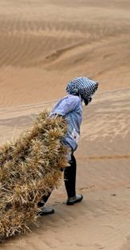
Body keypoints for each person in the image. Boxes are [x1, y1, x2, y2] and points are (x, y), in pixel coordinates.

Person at [39, 77, 99, 216]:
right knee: (56, 171)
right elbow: (57, 114)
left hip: (66, 142)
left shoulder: (75, 100)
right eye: (88, 90)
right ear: (81, 90)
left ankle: (72, 196)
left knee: (71, 164)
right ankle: (39, 205)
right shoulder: (74, 100)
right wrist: (54, 133)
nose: (90, 93)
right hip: (63, 142)